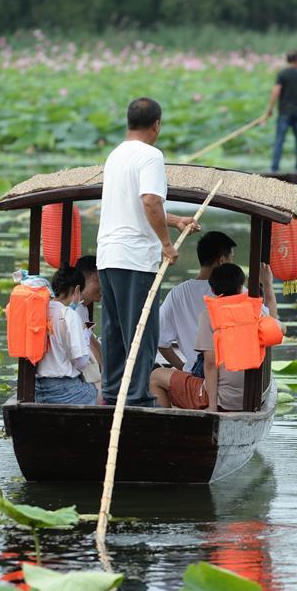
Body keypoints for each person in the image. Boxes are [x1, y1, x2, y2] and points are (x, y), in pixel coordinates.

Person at [96, 97, 199, 407]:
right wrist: (167, 244)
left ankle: (114, 393)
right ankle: (138, 396)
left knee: (115, 330)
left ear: (129, 123)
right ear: (156, 125)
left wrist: (176, 220)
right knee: (142, 330)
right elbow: (150, 201)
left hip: (109, 256)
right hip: (135, 259)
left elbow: (139, 206)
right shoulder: (151, 155)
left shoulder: (115, 156)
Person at [149, 262, 282, 412]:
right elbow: (278, 326)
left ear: (212, 290)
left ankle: (167, 426)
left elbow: (210, 363)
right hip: (250, 395)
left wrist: (212, 406)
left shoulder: (209, 315)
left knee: (155, 376)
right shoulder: (256, 312)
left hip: (223, 399)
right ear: (240, 288)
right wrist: (267, 285)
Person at [158, 231, 237, 372]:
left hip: (195, 375)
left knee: (156, 377)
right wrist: (267, 286)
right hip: (230, 374)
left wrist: (184, 368)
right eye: (232, 258)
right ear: (222, 261)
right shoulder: (236, 290)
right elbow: (268, 321)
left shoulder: (177, 294)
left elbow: (160, 342)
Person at [35, 266, 98, 405]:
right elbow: (81, 362)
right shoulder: (69, 314)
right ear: (76, 290)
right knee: (99, 392)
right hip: (64, 389)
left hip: (37, 387)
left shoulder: (40, 310)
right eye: (80, 293)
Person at [260, 50, 297, 173]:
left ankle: (274, 168)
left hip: (284, 112)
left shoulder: (282, 74)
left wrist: (269, 110)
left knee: (279, 140)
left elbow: (276, 92)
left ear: (287, 60)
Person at [75, 254, 103, 374]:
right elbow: (89, 344)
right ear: (95, 277)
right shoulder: (74, 310)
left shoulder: (83, 308)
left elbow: (91, 338)